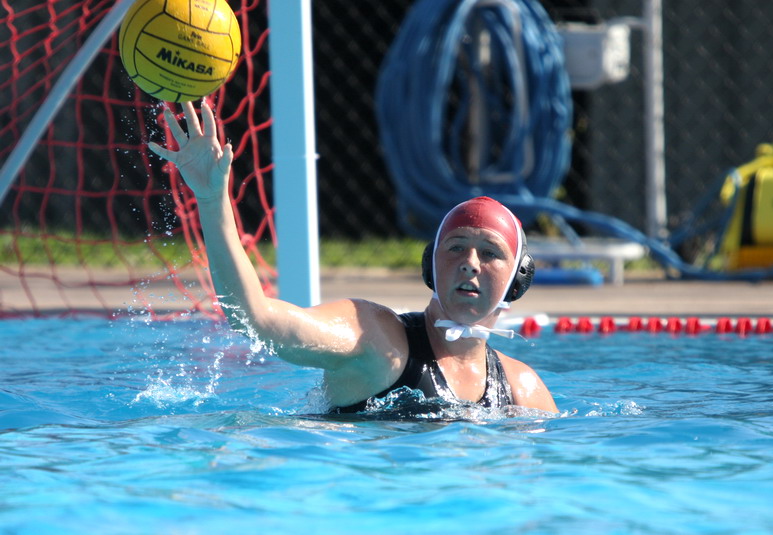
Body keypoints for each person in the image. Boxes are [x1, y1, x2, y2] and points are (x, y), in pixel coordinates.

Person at [148, 100, 558, 414]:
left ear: (517, 279)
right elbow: (258, 320)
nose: (470, 262)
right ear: (431, 264)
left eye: (490, 252)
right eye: (455, 247)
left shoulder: (522, 390)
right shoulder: (376, 339)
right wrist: (212, 200)